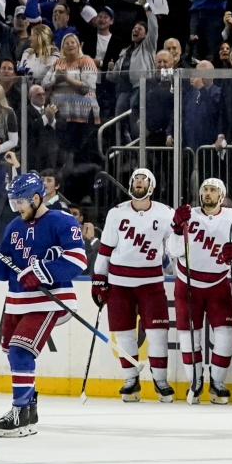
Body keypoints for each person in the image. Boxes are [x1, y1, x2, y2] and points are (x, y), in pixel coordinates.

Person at [0, 171, 88, 437]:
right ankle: (28, 411)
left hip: (52, 301)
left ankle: (19, 410)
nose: (17, 207)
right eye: (14, 202)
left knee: (20, 351)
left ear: (37, 198)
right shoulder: (14, 226)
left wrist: (39, 272)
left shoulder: (62, 221)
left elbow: (78, 260)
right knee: (14, 353)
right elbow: (5, 272)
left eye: (21, 202)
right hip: (17, 301)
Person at [92, 166, 175, 401]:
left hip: (151, 283)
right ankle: (131, 380)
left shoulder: (166, 213)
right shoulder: (116, 213)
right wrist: (99, 278)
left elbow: (176, 248)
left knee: (158, 333)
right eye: (136, 179)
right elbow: (105, 249)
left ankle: (160, 380)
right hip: (119, 284)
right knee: (124, 333)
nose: (139, 183)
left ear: (152, 187)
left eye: (143, 180)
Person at [170, 177, 232, 403]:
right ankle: (195, 382)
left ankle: (217, 383)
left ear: (222, 196)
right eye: (205, 190)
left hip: (219, 283)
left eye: (213, 190)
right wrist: (177, 229)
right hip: (187, 283)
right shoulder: (187, 215)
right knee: (189, 337)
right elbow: (173, 250)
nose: (208, 194)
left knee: (225, 336)